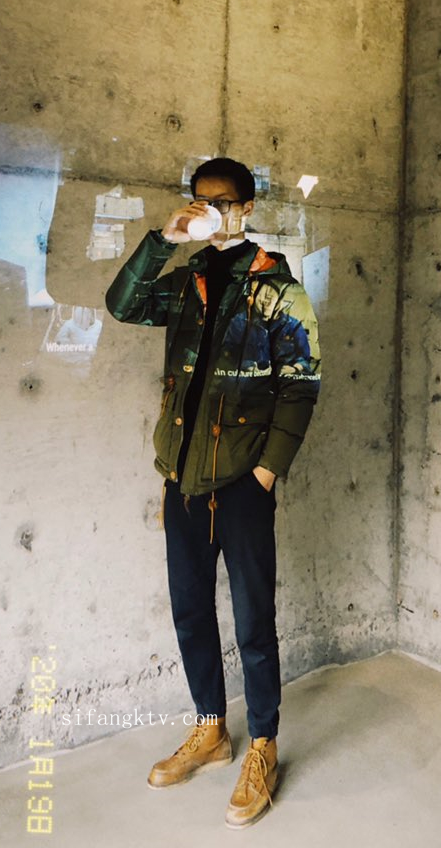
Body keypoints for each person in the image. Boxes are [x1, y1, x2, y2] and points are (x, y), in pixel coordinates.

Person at [105, 157, 321, 828]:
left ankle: (262, 746)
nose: (212, 211)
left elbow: (301, 385)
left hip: (242, 484)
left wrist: (267, 472)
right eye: (201, 200)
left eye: (223, 202)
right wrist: (162, 240)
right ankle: (210, 729)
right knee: (191, 611)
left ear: (248, 208)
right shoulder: (186, 280)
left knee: (254, 623)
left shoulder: (279, 289)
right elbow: (122, 304)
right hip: (183, 481)